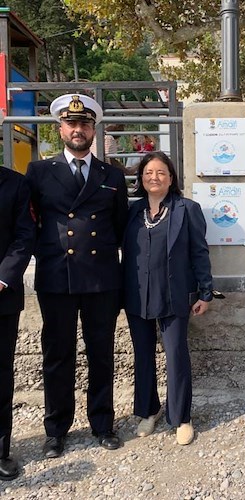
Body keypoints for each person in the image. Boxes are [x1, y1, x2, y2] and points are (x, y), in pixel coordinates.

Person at [25, 94, 129, 458]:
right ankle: (56, 430)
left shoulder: (111, 175)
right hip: (57, 277)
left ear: (93, 129)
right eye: (72, 124)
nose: (78, 130)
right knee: (57, 355)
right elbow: (31, 222)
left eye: (84, 124)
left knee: (101, 354)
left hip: (101, 278)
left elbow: (118, 227)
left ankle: (102, 423)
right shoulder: (39, 172)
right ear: (61, 129)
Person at [122, 151, 213, 445]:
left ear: (171, 178)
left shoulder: (187, 209)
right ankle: (149, 410)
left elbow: (199, 252)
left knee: (175, 355)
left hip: (174, 295)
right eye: (149, 173)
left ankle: (182, 417)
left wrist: (205, 292)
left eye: (161, 172)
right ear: (141, 178)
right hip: (138, 294)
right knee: (143, 354)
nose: (154, 177)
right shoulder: (133, 212)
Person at [0, 166, 35, 480]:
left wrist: (2, 277)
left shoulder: (15, 184)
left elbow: (24, 236)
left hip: (1, 298)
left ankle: (1, 451)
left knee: (0, 376)